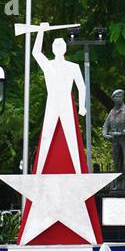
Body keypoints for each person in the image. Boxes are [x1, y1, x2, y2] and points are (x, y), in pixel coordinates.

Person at [32, 23, 87, 173]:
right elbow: (36, 52)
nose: (58, 48)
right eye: (55, 46)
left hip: (66, 104)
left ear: (64, 49)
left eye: (60, 46)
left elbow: (82, 86)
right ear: (53, 49)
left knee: (72, 137)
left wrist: (82, 106)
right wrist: (41, 31)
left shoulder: (73, 66)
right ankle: (38, 173)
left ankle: (78, 173)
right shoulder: (48, 65)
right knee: (46, 136)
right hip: (52, 103)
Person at [102, 89, 125, 180]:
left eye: (120, 96)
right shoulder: (111, 112)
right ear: (113, 98)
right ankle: (118, 181)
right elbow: (105, 126)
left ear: (122, 98)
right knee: (117, 161)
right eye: (116, 97)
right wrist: (105, 135)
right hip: (115, 141)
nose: (118, 98)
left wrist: (122, 132)